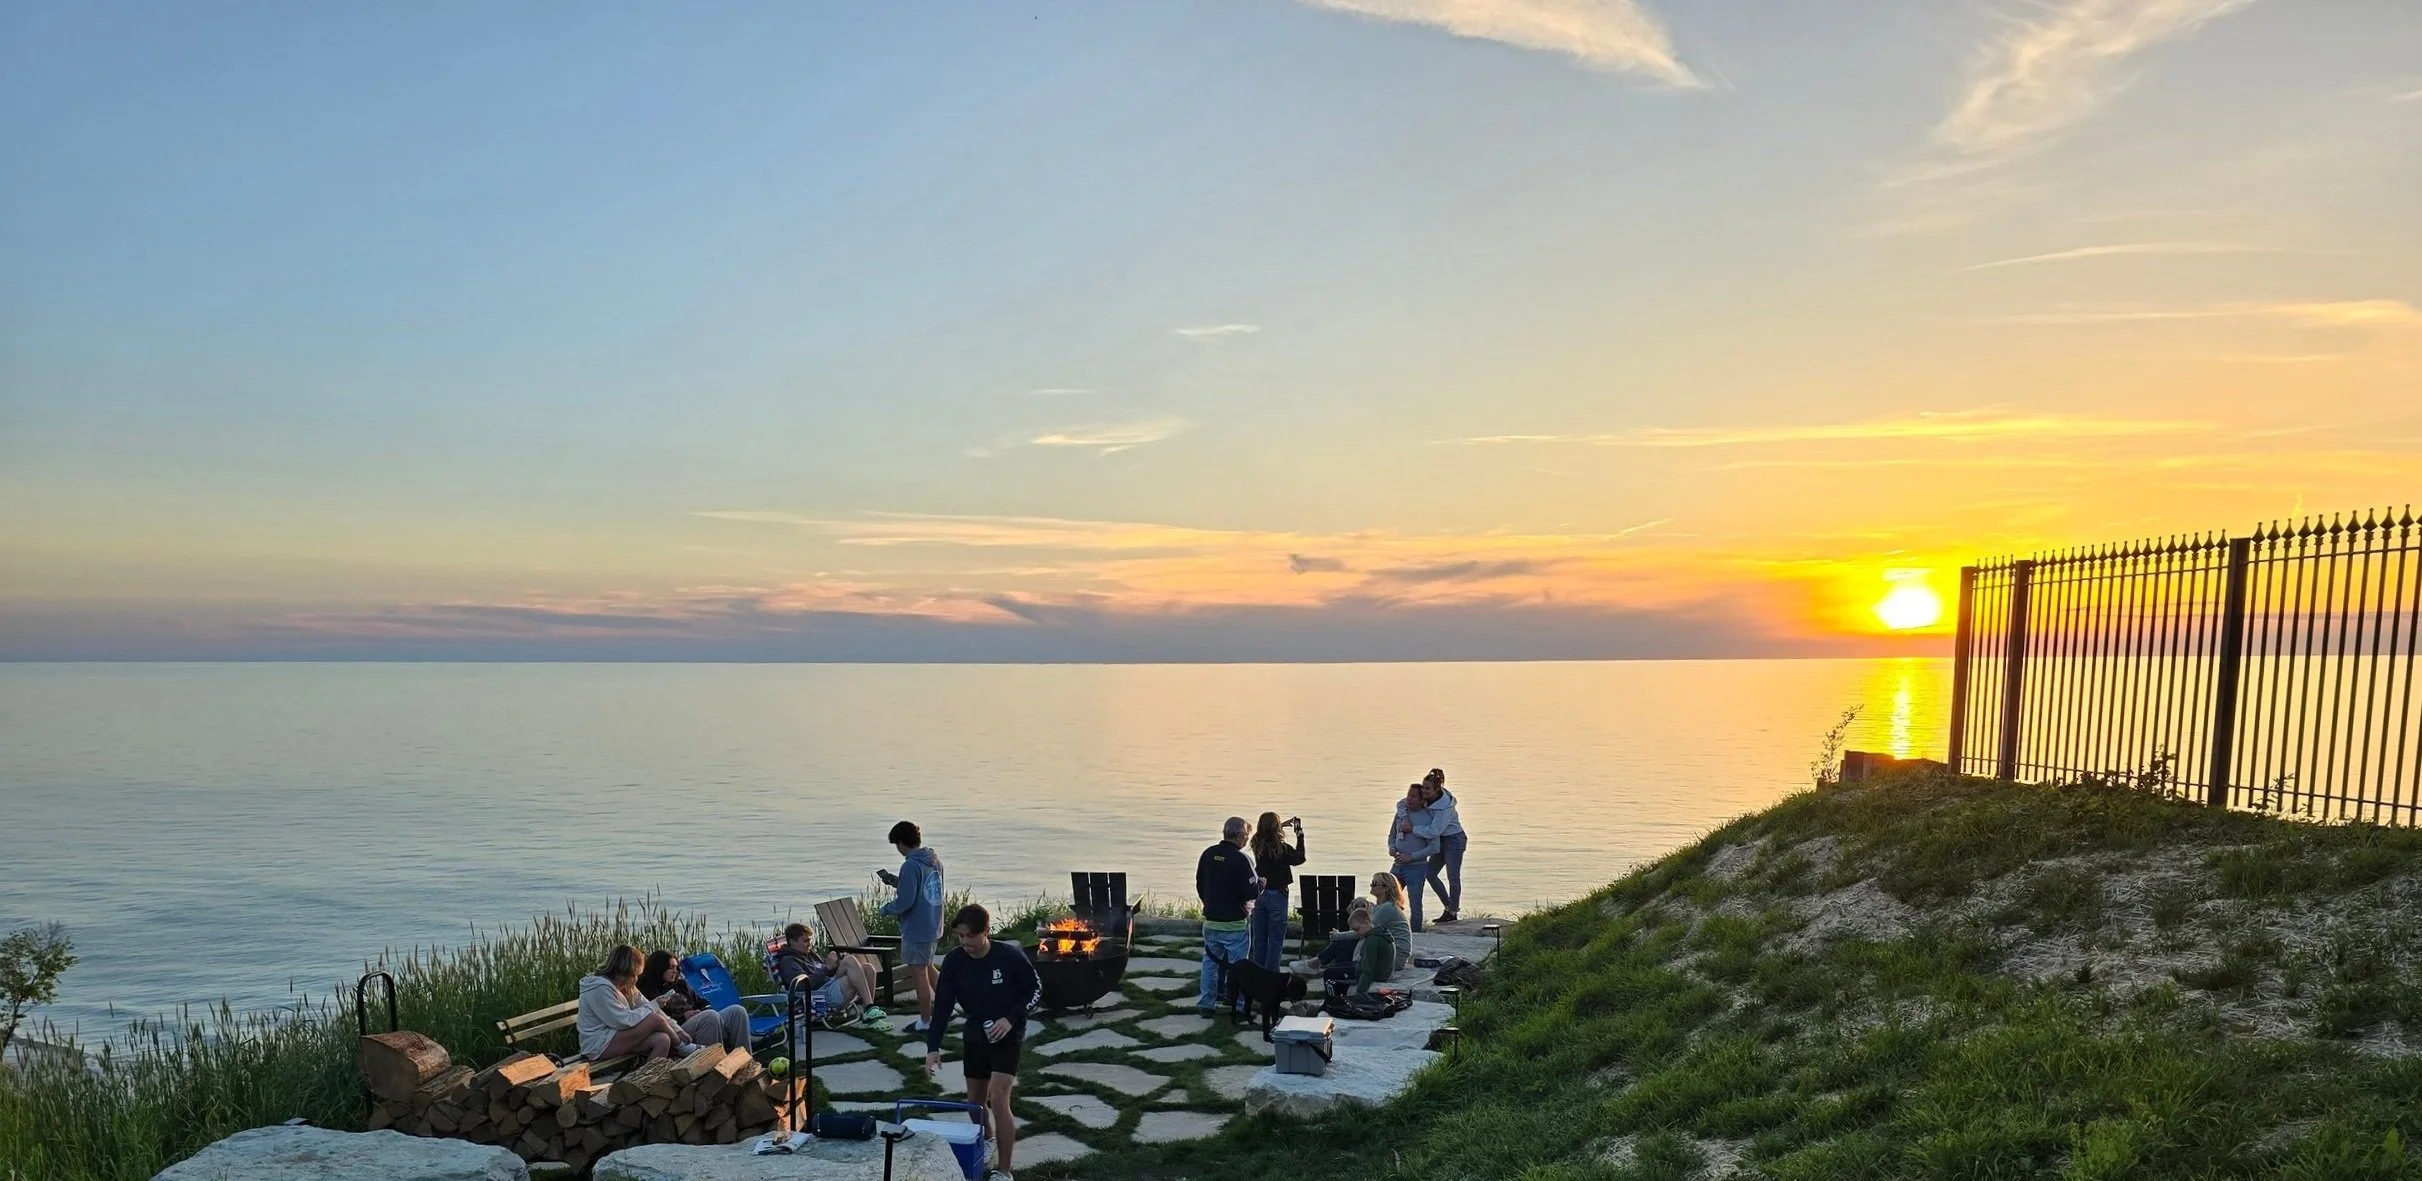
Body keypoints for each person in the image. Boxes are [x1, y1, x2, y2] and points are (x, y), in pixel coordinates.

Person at [922, 904, 1040, 1181]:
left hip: (1007, 1034)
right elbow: (943, 1006)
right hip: (975, 1032)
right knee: (974, 1102)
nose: (965, 943)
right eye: (961, 936)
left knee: (999, 1098)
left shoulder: (1009, 956)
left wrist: (1010, 1019)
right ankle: (987, 1137)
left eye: (970, 936)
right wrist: (932, 1047)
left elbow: (1034, 990)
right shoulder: (953, 961)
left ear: (986, 931)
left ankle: (1004, 1171)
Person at [877, 820, 946, 1034]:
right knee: (928, 968)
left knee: (919, 975)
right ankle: (947, 1008)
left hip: (917, 929)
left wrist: (886, 909)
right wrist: (896, 881)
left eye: (896, 844)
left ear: (900, 842)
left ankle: (925, 1021)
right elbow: (922, 887)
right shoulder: (933, 860)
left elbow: (905, 902)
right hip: (934, 924)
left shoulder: (910, 864)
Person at [1194, 816, 1262, 1018]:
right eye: (1247, 835)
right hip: (1235, 924)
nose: (1247, 839)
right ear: (1240, 835)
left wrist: (1209, 902)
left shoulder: (1208, 854)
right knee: (1240, 967)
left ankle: (1207, 1004)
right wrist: (1261, 885)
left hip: (1211, 921)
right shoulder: (1242, 860)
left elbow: (1200, 882)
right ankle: (1240, 1006)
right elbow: (1251, 892)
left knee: (1210, 963)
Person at [577, 944, 692, 1061]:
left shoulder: (625, 985)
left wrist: (678, 1030)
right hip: (599, 1044)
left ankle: (649, 1078)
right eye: (635, 974)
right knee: (654, 1020)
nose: (635, 979)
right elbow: (623, 1021)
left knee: (662, 1039)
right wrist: (654, 1005)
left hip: (616, 1036)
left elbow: (648, 1007)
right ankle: (683, 1048)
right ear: (626, 971)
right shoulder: (600, 989)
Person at [770, 922, 889, 1027]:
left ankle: (869, 1010)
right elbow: (801, 986)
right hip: (820, 996)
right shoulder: (789, 961)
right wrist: (827, 968)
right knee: (849, 961)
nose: (809, 944)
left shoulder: (809, 954)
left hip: (830, 986)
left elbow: (826, 971)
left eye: (810, 940)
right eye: (805, 941)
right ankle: (869, 1009)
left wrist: (834, 964)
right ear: (792, 942)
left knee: (868, 968)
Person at [638, 949, 751, 1050]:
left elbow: (703, 1002)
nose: (675, 971)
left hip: (699, 1020)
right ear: (659, 968)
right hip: (677, 1030)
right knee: (710, 1016)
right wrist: (684, 1017)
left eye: (676, 967)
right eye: (671, 967)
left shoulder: (680, 984)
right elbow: (656, 1020)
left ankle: (746, 1061)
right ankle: (712, 1065)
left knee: (737, 1011)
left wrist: (701, 1011)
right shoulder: (648, 991)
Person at [1246, 812, 1306, 971]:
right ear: (1275, 828)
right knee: (1275, 939)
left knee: (1259, 938)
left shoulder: (1256, 843)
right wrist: (1300, 836)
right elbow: (1299, 858)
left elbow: (1265, 833)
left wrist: (1281, 825)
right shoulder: (1281, 848)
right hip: (1277, 895)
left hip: (1259, 894)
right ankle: (1271, 974)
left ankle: (1258, 973)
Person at [1389, 783, 1441, 932]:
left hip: (1417, 868)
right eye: (1408, 795)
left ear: (1422, 799)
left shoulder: (1428, 817)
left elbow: (1434, 847)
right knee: (1388, 900)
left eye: (1414, 796)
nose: (1409, 799)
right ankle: (1391, 931)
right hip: (1397, 864)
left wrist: (1411, 857)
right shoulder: (1401, 813)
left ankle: (1416, 935)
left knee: (1415, 905)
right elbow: (1392, 834)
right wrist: (1391, 848)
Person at [1419, 769, 1469, 924]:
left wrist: (1413, 829)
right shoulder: (1427, 799)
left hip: (1454, 839)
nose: (1424, 790)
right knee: (1429, 873)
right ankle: (1448, 907)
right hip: (1441, 841)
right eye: (1423, 787)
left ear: (1436, 790)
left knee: (1453, 877)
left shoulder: (1444, 806)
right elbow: (1403, 803)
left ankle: (1453, 912)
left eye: (1427, 788)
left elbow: (1434, 830)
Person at [1368, 870, 1414, 975]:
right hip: (1390, 953)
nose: (1371, 885)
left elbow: (1367, 930)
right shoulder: (1381, 907)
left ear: (1386, 888)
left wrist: (1338, 936)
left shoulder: (1387, 908)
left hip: (1395, 958)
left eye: (1375, 883)